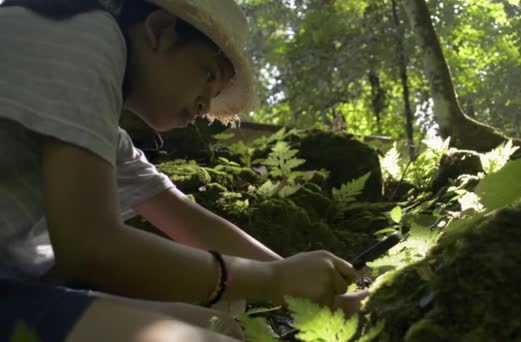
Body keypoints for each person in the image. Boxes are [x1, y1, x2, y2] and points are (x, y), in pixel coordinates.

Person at [0, 0, 367, 341]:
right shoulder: (88, 37)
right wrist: (271, 280)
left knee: (216, 326)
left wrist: (313, 289)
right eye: (208, 74)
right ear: (159, 31)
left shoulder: (102, 131)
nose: (206, 104)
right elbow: (89, 250)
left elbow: (190, 221)